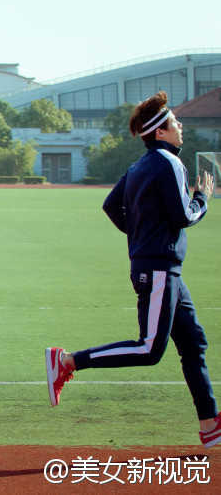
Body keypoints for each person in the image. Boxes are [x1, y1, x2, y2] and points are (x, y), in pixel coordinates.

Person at [46, 90, 219, 447]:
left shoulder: (140, 165)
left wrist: (141, 237)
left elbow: (111, 206)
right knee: (149, 349)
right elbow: (184, 215)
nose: (180, 126)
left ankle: (210, 425)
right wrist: (203, 198)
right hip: (158, 269)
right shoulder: (168, 163)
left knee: (193, 343)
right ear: (160, 132)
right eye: (174, 123)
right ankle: (67, 362)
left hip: (162, 267)